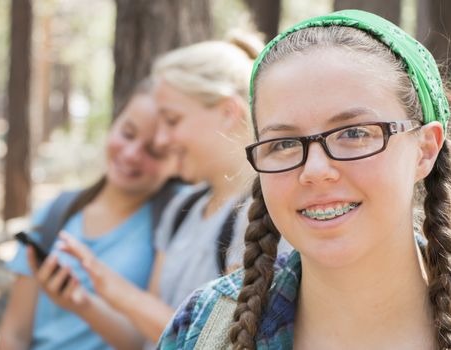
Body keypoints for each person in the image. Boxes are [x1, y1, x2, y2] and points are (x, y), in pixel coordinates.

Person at [158, 9, 451, 350]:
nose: (314, 170)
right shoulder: (202, 325)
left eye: (354, 133)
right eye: (283, 143)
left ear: (425, 149)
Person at [55, 34, 291, 349]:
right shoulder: (183, 209)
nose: (161, 140)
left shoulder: (263, 216)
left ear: (228, 112)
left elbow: (218, 338)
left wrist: (116, 290)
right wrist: (85, 297)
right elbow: (145, 339)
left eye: (172, 120)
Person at [0, 79, 179, 350]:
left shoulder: (171, 230)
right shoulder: (54, 213)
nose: (131, 155)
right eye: (128, 134)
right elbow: (14, 334)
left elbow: (149, 342)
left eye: (154, 151)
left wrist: (81, 304)